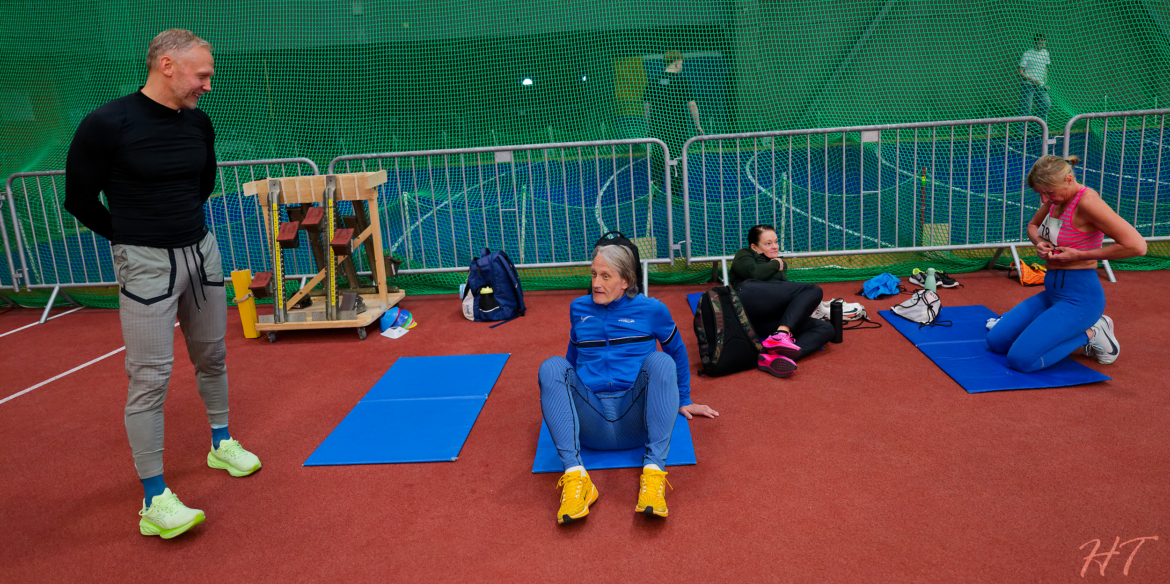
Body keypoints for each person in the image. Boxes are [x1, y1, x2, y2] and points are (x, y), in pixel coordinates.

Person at [64, 29, 260, 540]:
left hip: (202, 252)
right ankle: (154, 499)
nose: (208, 85)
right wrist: (130, 238)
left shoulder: (198, 122)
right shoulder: (106, 123)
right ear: (167, 65)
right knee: (150, 377)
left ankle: (221, 443)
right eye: (203, 75)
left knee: (213, 354)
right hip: (145, 264)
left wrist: (180, 230)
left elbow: (203, 183)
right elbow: (79, 199)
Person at [538, 244, 717, 524]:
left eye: (605, 276)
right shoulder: (578, 308)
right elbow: (572, 357)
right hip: (591, 425)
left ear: (626, 281)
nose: (596, 283)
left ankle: (653, 475)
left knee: (660, 361)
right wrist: (562, 399)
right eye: (593, 274)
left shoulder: (651, 309)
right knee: (551, 366)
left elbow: (678, 352)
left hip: (636, 421)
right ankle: (576, 477)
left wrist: (683, 399)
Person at [987, 155, 1146, 372]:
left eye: (1048, 192)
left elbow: (1137, 246)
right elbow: (1033, 225)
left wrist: (1078, 255)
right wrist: (1039, 243)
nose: (1044, 199)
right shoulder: (1056, 200)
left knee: (1021, 360)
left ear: (1069, 180)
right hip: (1052, 294)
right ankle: (1054, 330)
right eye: (1040, 193)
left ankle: (1094, 332)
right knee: (996, 341)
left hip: (1080, 300)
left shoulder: (1088, 203)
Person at [730, 225, 834, 378]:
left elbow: (781, 293)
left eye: (776, 242)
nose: (775, 246)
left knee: (826, 328)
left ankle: (775, 357)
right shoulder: (745, 254)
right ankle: (781, 335)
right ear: (754, 247)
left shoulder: (781, 264)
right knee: (813, 290)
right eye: (768, 243)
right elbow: (754, 273)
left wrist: (800, 308)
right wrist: (776, 264)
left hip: (763, 322)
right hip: (746, 301)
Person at [644, 51, 704, 197]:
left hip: (657, 129)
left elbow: (647, 107)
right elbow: (692, 105)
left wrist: (648, 127)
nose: (682, 66)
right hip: (677, 130)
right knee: (676, 158)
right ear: (676, 62)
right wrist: (698, 125)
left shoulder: (653, 81)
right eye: (681, 63)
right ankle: (675, 191)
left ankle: (656, 184)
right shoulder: (682, 82)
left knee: (658, 158)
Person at [1018, 34, 1051, 133]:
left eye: (1044, 43)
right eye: (1040, 43)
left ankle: (1034, 127)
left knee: (1046, 104)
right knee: (1026, 108)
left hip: (1040, 85)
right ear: (1035, 43)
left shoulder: (1045, 53)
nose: (1042, 45)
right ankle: (1020, 131)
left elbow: (1045, 69)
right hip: (1028, 85)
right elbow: (1021, 72)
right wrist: (1032, 80)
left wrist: (1045, 82)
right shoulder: (1027, 54)